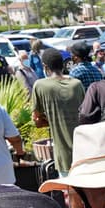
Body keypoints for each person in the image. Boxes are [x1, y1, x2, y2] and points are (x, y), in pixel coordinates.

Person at [30, 48, 84, 176]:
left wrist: (51, 120)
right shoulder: (77, 84)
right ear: (63, 64)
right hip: (84, 152)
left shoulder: (40, 85)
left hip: (63, 156)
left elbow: (37, 120)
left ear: (45, 67)